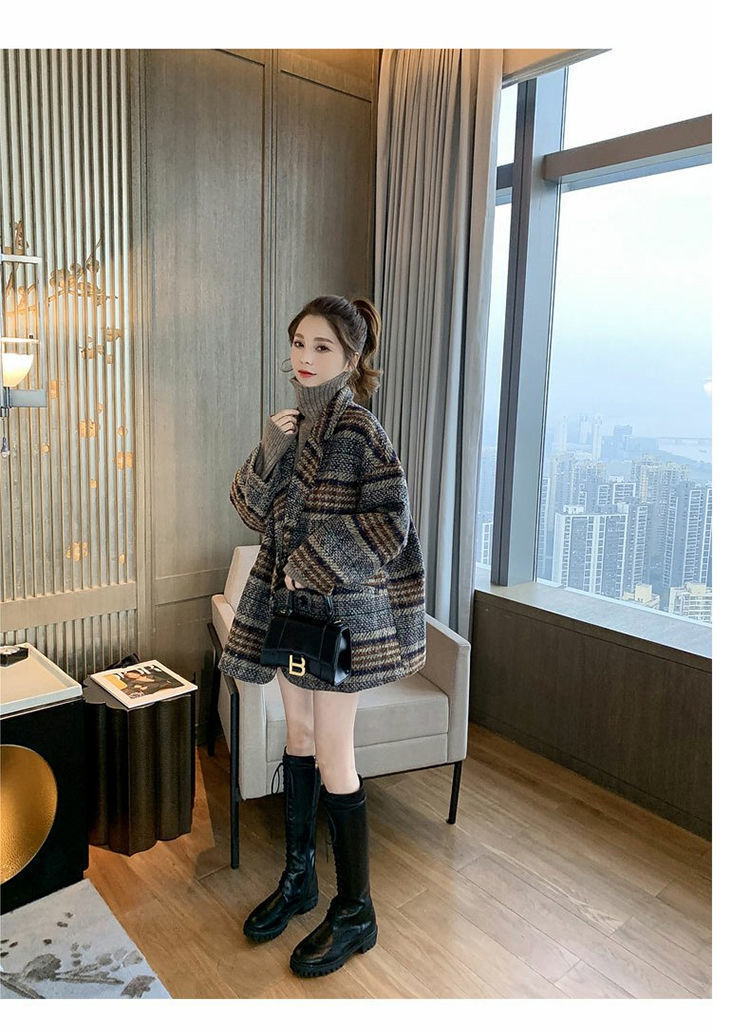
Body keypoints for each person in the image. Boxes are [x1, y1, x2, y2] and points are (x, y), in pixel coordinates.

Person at [218, 295, 426, 978]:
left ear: (352, 356)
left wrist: (310, 563)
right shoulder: (295, 425)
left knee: (336, 753)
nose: (305, 358)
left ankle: (357, 909)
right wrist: (268, 451)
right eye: (299, 343)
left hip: (340, 620)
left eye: (322, 347)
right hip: (291, 615)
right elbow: (251, 511)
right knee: (299, 738)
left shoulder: (360, 429)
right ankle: (300, 877)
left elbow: (391, 522)